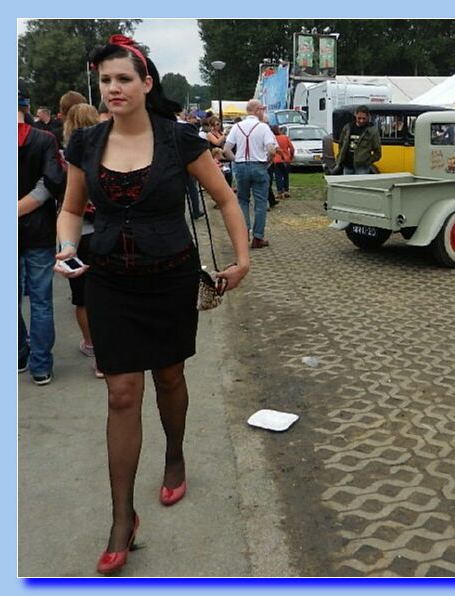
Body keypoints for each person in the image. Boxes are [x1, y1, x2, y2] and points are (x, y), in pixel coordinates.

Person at [54, 35, 250, 575]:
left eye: (123, 79)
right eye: (106, 81)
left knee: (168, 377)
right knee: (122, 392)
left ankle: (175, 455)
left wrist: (242, 258)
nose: (113, 89)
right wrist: (66, 245)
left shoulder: (180, 141)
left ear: (146, 84)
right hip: (110, 281)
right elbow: (71, 210)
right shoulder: (86, 145)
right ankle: (122, 518)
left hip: (169, 278)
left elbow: (226, 198)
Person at [19, 86, 66, 385]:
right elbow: (51, 182)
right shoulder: (45, 139)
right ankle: (40, 365)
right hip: (38, 229)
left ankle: (19, 355)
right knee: (41, 301)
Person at [62, 103, 105, 377]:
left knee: (82, 298)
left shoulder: (67, 155)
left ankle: (91, 344)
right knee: (106, 295)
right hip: (105, 232)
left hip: (77, 235)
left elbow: (65, 202)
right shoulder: (109, 149)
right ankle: (105, 357)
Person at [224, 99, 276, 248]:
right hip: (259, 165)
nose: (263, 112)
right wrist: (267, 162)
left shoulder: (236, 127)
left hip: (240, 166)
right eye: (262, 109)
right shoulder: (263, 127)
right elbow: (272, 149)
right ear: (256, 110)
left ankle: (244, 232)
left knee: (243, 201)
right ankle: (258, 237)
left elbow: (226, 150)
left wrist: (236, 161)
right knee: (260, 202)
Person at [334, 105, 381, 175]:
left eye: (364, 118)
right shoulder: (347, 128)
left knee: (360, 185)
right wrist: (340, 158)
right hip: (347, 166)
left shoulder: (372, 131)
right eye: (359, 118)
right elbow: (341, 144)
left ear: (368, 117)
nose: (361, 121)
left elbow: (378, 152)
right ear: (355, 115)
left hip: (362, 167)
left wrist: (367, 161)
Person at [272, 124, 295, 200]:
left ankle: (280, 191)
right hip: (286, 159)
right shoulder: (285, 137)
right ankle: (286, 190)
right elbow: (292, 148)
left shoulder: (272, 138)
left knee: (278, 176)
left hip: (276, 160)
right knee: (286, 175)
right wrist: (291, 157)